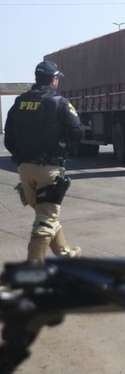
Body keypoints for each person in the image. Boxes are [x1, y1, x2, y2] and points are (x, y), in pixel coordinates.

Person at [4, 60, 83, 264]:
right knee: (46, 218)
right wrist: (64, 147)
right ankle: (32, 269)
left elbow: (8, 139)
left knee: (44, 213)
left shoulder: (20, 102)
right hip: (49, 168)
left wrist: (21, 157)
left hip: (24, 170)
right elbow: (77, 131)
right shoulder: (59, 102)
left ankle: (66, 255)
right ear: (53, 79)